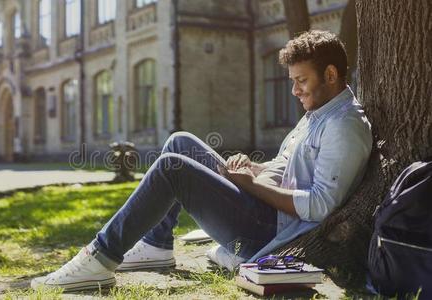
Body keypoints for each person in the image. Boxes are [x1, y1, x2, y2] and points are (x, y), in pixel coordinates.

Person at [31, 30, 372, 292]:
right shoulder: (319, 112)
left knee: (172, 168)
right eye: (293, 82)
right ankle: (156, 245)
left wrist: (251, 185)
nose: (295, 91)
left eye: (302, 81)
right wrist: (255, 168)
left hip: (269, 233)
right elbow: (289, 165)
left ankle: (100, 257)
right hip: (266, 210)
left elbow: (320, 206)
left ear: (330, 74)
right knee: (180, 142)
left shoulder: (344, 126)